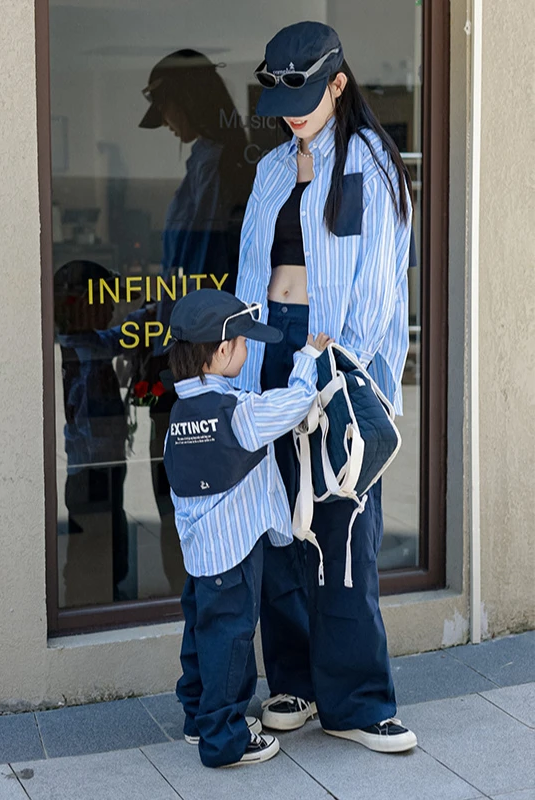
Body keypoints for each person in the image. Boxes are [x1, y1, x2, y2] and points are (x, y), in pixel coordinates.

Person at [235, 21, 418, 752]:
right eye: (283, 98)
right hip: (272, 347)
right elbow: (252, 269)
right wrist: (249, 362)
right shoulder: (274, 167)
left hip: (338, 359)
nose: (293, 111)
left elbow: (376, 290)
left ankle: (360, 700)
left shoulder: (371, 163)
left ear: (339, 84)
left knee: (344, 522)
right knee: (281, 519)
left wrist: (333, 365)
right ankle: (295, 683)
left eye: (307, 95)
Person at [162, 288, 332, 768]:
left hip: (200, 552)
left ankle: (199, 718)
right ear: (220, 352)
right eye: (241, 344)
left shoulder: (181, 412)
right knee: (232, 642)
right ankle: (224, 739)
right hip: (234, 553)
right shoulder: (240, 413)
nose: (246, 350)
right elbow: (296, 403)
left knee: (201, 633)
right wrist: (308, 357)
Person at [134, 49, 257, 595]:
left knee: (188, 490)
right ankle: (191, 605)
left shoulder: (226, 165)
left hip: (201, 358)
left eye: (168, 111)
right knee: (173, 488)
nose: (168, 126)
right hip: (177, 345)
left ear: (187, 102)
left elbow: (211, 272)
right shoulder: (202, 162)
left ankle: (202, 607)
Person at [54, 261, 130, 605]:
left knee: (108, 535)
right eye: (106, 299)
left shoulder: (89, 342)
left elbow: (115, 338)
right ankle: (93, 598)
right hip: (91, 470)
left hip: (104, 466)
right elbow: (112, 342)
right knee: (93, 540)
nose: (113, 307)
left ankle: (104, 590)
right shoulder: (78, 349)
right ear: (85, 305)